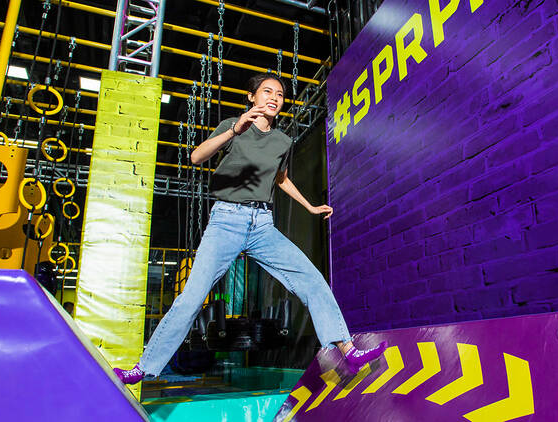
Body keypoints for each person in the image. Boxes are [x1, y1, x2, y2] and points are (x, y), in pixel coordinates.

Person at [113, 73, 386, 384]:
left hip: (262, 225)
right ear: (251, 97)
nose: (274, 97)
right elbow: (196, 157)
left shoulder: (282, 140)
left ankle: (347, 349)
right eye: (267, 91)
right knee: (191, 298)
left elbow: (280, 178)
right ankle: (144, 367)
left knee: (311, 278)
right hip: (226, 221)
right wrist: (233, 129)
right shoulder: (235, 126)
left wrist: (309, 206)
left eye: (280, 95)